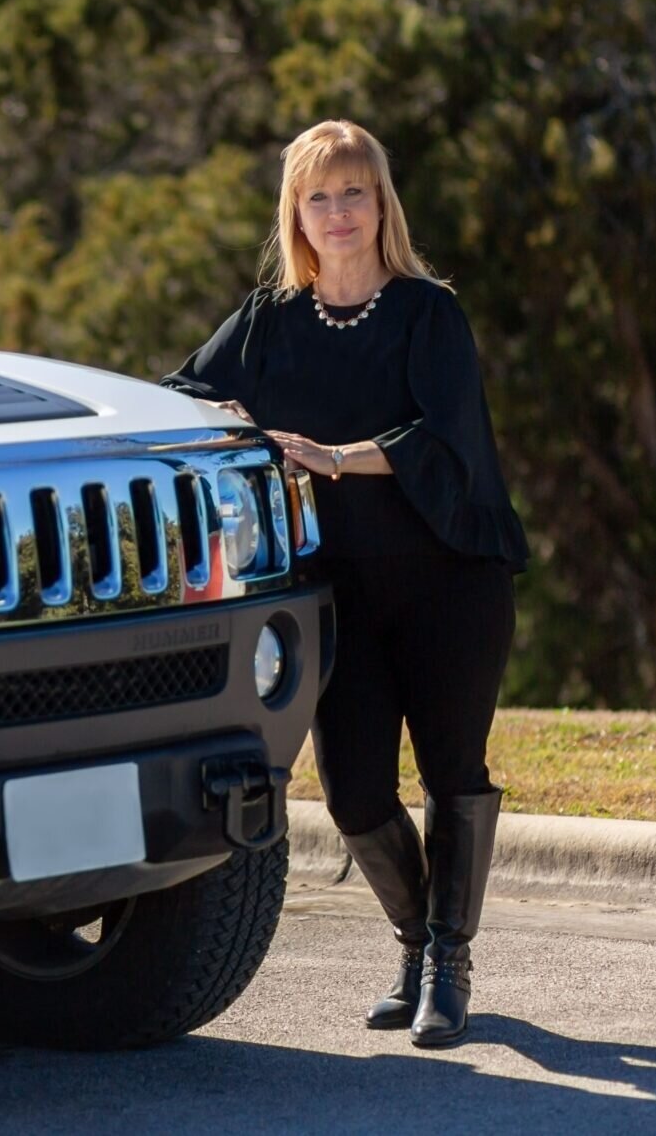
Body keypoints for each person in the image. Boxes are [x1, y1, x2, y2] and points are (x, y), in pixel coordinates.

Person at [162, 119, 527, 1048]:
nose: (337, 212)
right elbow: (179, 386)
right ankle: (414, 940)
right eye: (318, 196)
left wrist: (331, 455)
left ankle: (450, 962)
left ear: (380, 205)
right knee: (355, 791)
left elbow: (445, 445)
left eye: (353, 192)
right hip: (339, 590)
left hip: (450, 580)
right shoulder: (270, 318)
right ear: (296, 211)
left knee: (453, 773)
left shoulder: (427, 312)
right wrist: (229, 407)